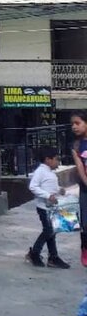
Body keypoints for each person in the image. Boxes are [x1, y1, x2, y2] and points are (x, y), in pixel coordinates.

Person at [26, 147, 70, 268]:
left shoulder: (50, 172)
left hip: (51, 207)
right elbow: (33, 186)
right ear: (47, 160)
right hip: (43, 207)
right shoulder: (40, 171)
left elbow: (49, 186)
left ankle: (53, 257)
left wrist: (59, 190)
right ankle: (35, 253)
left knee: (52, 231)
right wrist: (47, 196)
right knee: (48, 231)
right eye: (56, 159)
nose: (58, 162)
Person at [69, 111, 87, 267]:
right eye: (72, 124)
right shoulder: (76, 146)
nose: (74, 127)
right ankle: (85, 249)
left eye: (77, 123)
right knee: (85, 223)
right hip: (85, 188)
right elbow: (80, 166)